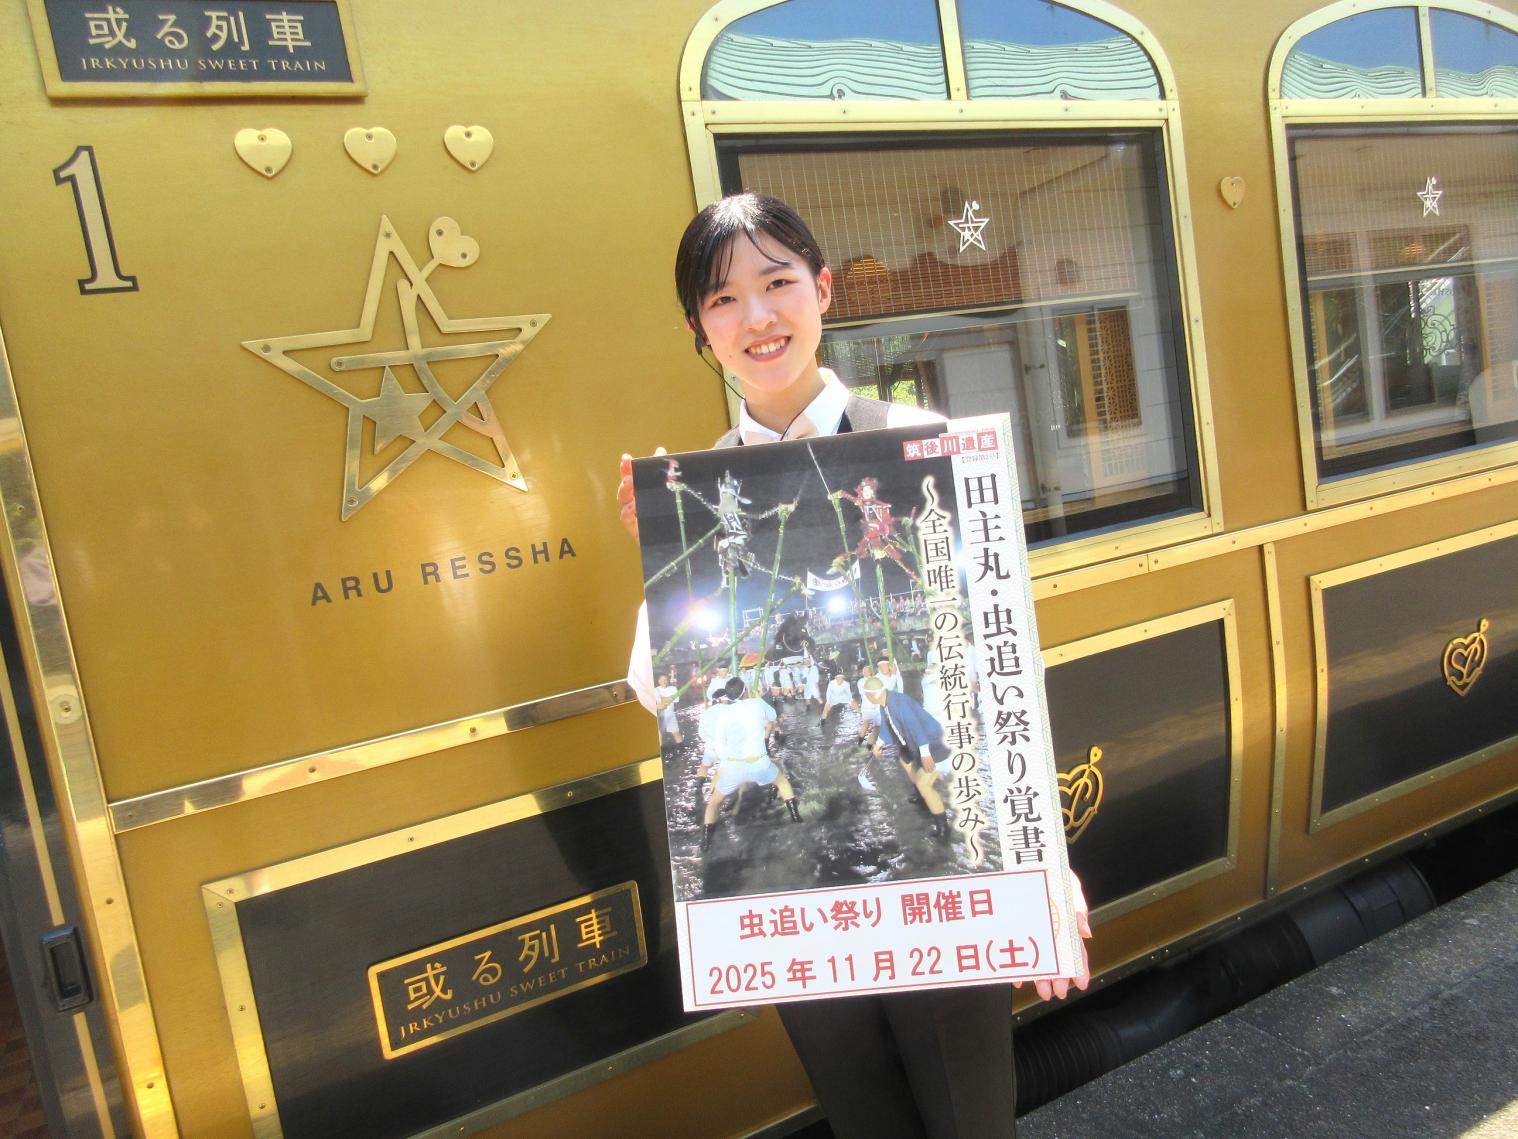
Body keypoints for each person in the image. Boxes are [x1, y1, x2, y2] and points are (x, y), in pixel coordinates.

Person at [618, 192, 1090, 1139]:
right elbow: (659, 691)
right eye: (723, 299)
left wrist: (1043, 864)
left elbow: (998, 656)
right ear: (698, 330)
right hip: (799, 914)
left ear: (824, 290)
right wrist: (665, 578)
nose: (756, 316)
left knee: (970, 1120)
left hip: (946, 884)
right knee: (864, 1117)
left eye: (778, 282)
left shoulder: (920, 438)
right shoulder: (698, 492)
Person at [700, 676, 798, 849]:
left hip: (733, 767)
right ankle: (796, 819)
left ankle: (706, 843)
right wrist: (756, 700)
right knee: (782, 781)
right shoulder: (757, 704)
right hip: (759, 764)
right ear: (745, 690)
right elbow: (773, 715)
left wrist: (726, 765)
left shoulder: (723, 715)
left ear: (728, 695)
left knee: (713, 803)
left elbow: (720, 745)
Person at [861, 676, 949, 841]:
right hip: (913, 742)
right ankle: (921, 797)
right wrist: (878, 744)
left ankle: (943, 828)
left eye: (866, 695)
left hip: (933, 742)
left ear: (872, 695)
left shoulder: (899, 704)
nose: (865, 697)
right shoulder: (885, 703)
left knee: (924, 784)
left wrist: (925, 754)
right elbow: (887, 727)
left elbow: (916, 727)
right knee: (904, 759)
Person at [654, 672, 682, 747]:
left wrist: (663, 700)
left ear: (668, 681)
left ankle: (681, 748)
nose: (664, 682)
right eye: (662, 680)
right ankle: (661, 750)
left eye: (665, 680)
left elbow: (676, 700)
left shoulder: (673, 688)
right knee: (659, 735)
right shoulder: (655, 690)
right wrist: (669, 698)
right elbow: (659, 703)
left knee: (676, 733)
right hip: (660, 715)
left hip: (670, 714)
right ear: (659, 681)